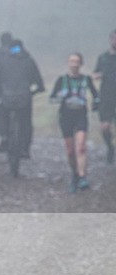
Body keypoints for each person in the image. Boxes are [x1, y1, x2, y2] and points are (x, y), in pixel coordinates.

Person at [50, 53, 100, 192]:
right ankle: (75, 174)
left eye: (77, 62)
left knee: (81, 147)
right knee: (70, 151)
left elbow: (96, 95)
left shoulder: (86, 79)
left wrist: (96, 103)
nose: (74, 64)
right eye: (72, 61)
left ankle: (83, 176)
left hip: (80, 115)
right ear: (68, 63)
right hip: (65, 116)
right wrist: (61, 97)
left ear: (81, 64)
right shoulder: (61, 80)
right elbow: (52, 97)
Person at [0, 39, 45, 159]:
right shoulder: (29, 61)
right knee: (26, 123)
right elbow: (38, 80)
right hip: (25, 98)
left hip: (6, 98)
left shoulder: (2, 62)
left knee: (2, 117)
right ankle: (24, 149)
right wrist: (38, 89)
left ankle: (5, 138)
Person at [93, 29, 116, 164]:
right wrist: (97, 75)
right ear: (110, 40)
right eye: (114, 38)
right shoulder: (103, 57)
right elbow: (95, 73)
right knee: (105, 127)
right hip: (106, 96)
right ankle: (110, 147)